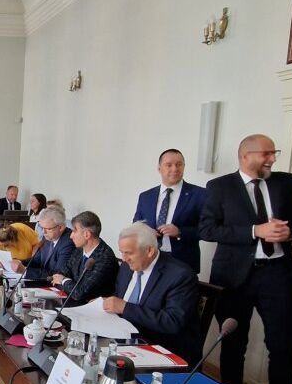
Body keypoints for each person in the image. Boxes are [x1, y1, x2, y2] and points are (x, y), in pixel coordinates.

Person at [199, 134, 292, 384]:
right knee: (233, 344)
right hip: (234, 277)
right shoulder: (219, 186)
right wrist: (254, 231)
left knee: (283, 345)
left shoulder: (287, 183)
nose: (272, 159)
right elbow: (207, 229)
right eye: (266, 154)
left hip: (278, 274)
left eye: (274, 153)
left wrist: (289, 233)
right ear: (245, 156)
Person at [102, 223, 201, 365]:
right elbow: (119, 297)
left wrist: (125, 308)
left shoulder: (180, 275)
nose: (123, 258)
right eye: (122, 252)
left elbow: (172, 321)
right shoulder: (126, 267)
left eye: (128, 253)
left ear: (149, 251)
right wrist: (106, 302)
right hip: (124, 339)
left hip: (161, 348)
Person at [132, 148, 207, 274]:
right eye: (169, 165)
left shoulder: (200, 194)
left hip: (183, 262)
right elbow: (136, 224)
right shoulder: (146, 196)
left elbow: (207, 230)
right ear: (159, 168)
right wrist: (146, 232)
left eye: (179, 164)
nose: (174, 169)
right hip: (150, 258)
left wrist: (180, 232)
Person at [50, 211, 117, 305]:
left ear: (87, 234)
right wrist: (63, 279)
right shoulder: (79, 250)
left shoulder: (105, 258)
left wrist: (63, 280)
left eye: (74, 231)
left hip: (90, 308)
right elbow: (62, 273)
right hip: (71, 301)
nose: (71, 236)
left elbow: (80, 293)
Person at [19, 207, 74, 280]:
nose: (43, 232)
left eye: (48, 229)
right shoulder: (49, 236)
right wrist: (19, 263)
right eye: (42, 228)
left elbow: (57, 274)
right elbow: (37, 260)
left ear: (60, 227)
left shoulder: (69, 243)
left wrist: (25, 271)